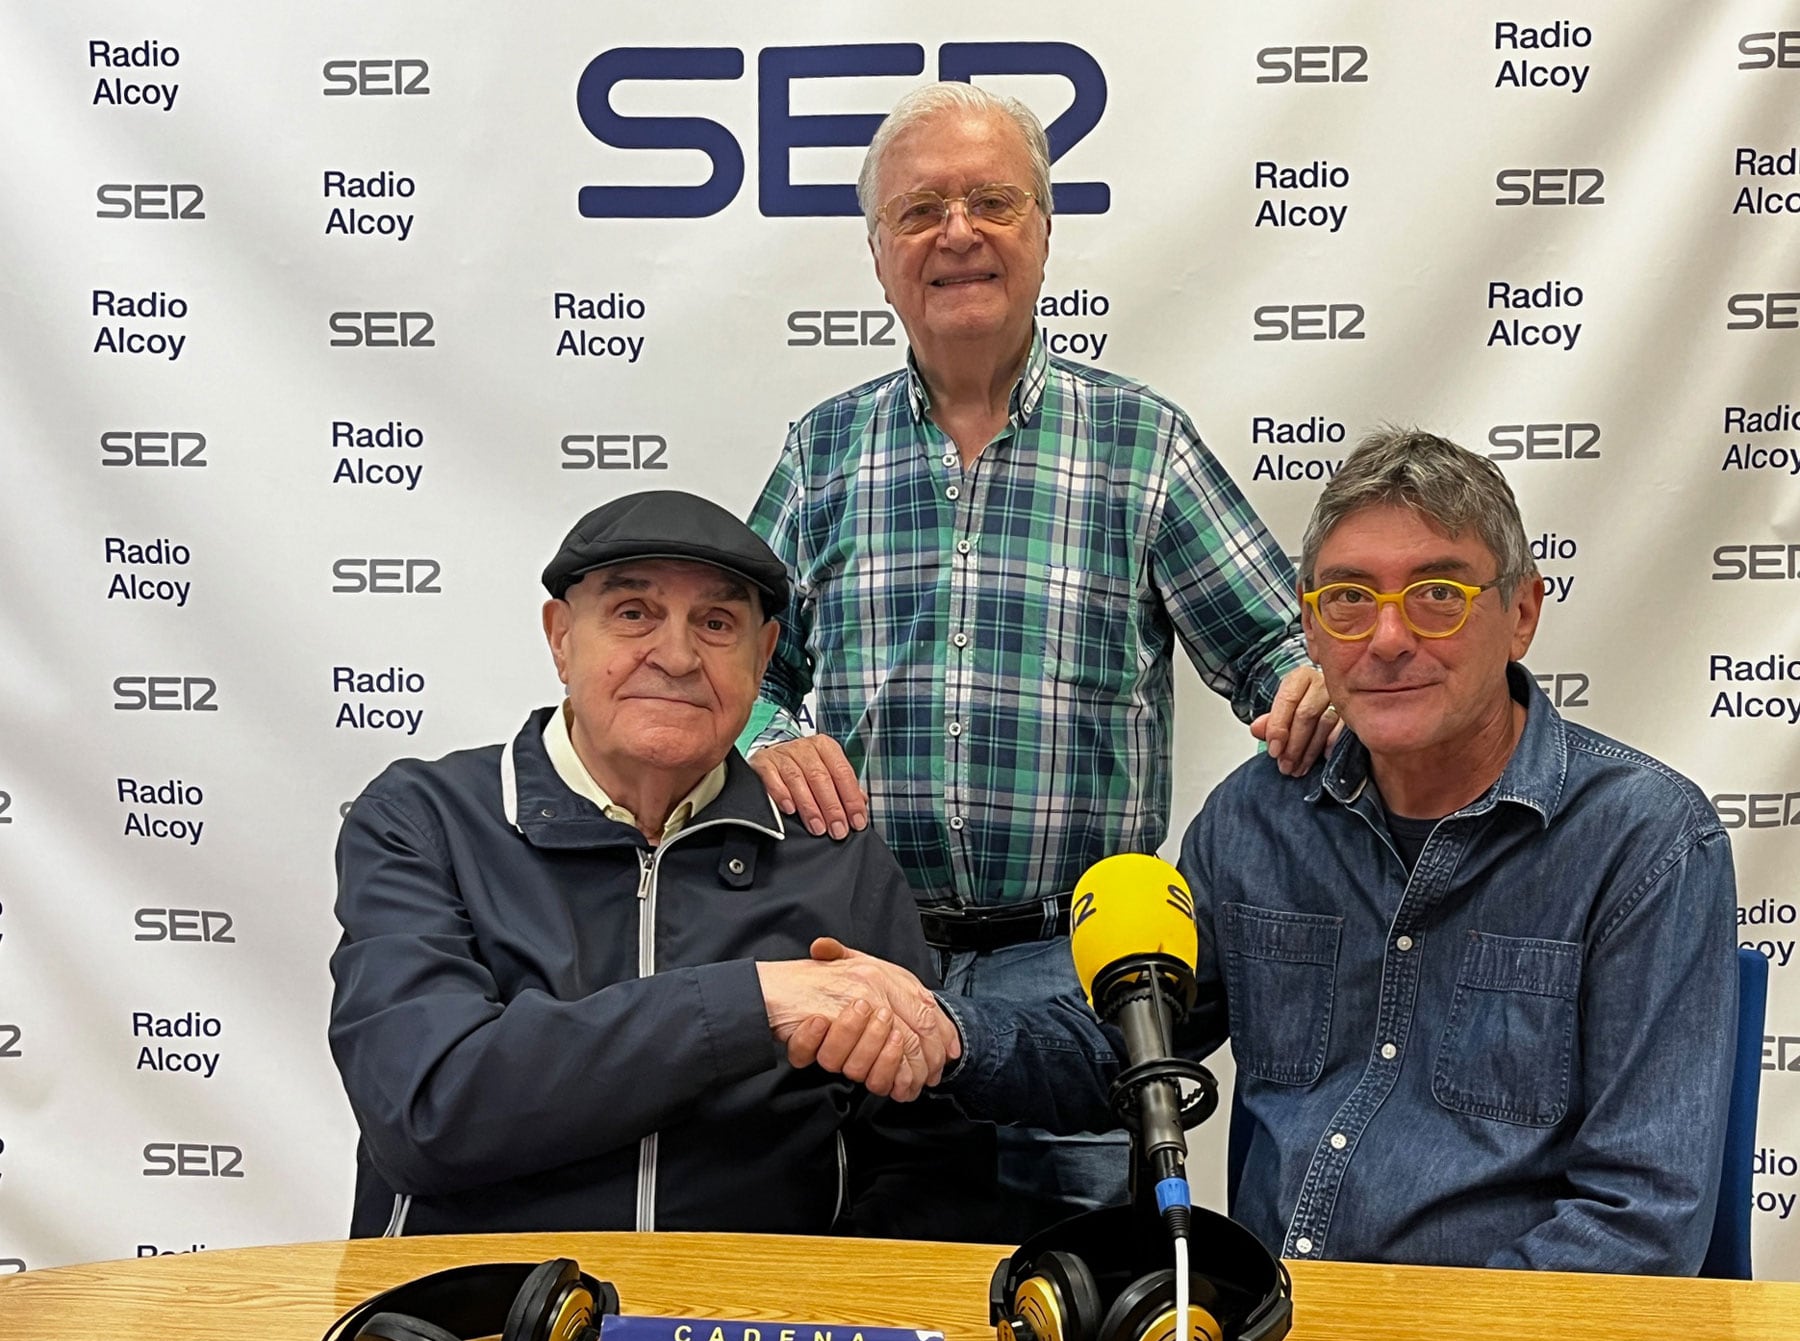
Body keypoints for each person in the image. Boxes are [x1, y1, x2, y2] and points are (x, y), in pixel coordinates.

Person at [799, 429, 1739, 1274]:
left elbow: (1641, 1220)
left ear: (1523, 613)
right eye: (1347, 600)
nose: (1388, 638)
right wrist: (945, 1030)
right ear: (1310, 624)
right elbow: (1116, 1050)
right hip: (1270, 1317)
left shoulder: (1646, 840)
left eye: (1439, 597)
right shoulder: (1259, 820)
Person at [744, 80, 1332, 1230]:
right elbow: (738, 677)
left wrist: (1309, 689)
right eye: (918, 212)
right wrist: (768, 735)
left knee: (1068, 1293)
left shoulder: (1141, 445)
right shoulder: (822, 453)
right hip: (867, 963)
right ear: (878, 256)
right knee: (872, 1283)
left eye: (990, 201)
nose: (955, 233)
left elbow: (1275, 648)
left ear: (1043, 234)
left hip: (1073, 984)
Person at [329, 489, 993, 1240]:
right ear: (560, 638)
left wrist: (817, 1310)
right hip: (477, 1314)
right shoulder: (427, 818)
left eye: (716, 624)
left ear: (764, 656)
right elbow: (426, 1110)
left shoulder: (836, 855)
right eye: (634, 613)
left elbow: (933, 1160)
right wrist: (756, 1004)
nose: (676, 657)